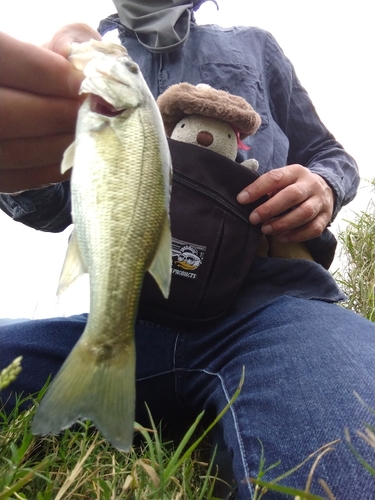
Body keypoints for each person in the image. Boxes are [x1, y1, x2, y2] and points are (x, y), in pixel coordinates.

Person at [0, 1, 374, 498]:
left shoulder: (255, 44)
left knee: (346, 452)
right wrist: (15, 164)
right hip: (128, 318)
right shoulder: (90, 62)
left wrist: (324, 186)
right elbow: (50, 210)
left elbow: (329, 154)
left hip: (272, 308)